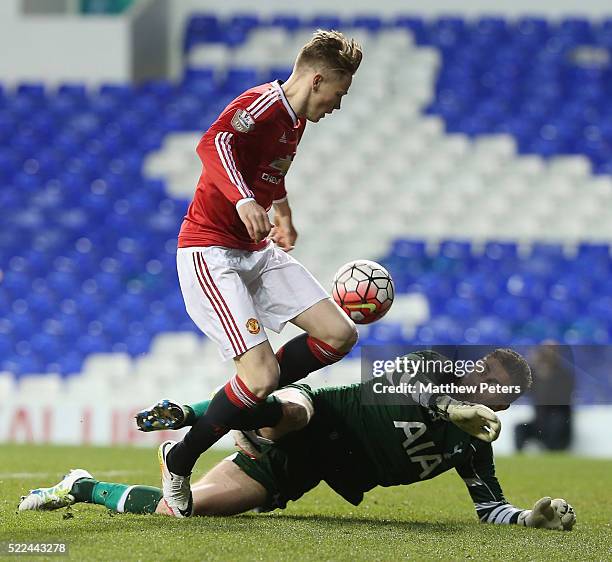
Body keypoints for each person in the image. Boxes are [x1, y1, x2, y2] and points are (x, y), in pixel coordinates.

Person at [19, 348, 576, 532]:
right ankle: (190, 416)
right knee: (286, 410)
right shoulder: (430, 366)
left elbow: (490, 507)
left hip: (315, 469)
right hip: (321, 414)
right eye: (486, 385)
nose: (491, 399)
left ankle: (82, 485)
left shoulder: (473, 447)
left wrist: (530, 518)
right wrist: (453, 405)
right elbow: (397, 383)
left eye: (501, 398)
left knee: (187, 511)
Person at [156, 30, 363, 516]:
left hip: (256, 249)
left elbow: (271, 168)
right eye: (339, 92)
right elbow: (214, 145)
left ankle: (249, 407)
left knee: (338, 334)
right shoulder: (261, 104)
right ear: (316, 80)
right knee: (261, 373)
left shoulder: (295, 120)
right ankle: (180, 458)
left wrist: (282, 210)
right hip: (212, 252)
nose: (338, 104)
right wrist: (244, 199)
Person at [515, 343, 575, 452]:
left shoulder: (563, 374)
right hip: (540, 422)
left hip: (559, 422)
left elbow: (559, 397)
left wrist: (545, 377)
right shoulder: (535, 374)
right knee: (520, 428)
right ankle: (519, 457)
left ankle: (554, 453)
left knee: (555, 424)